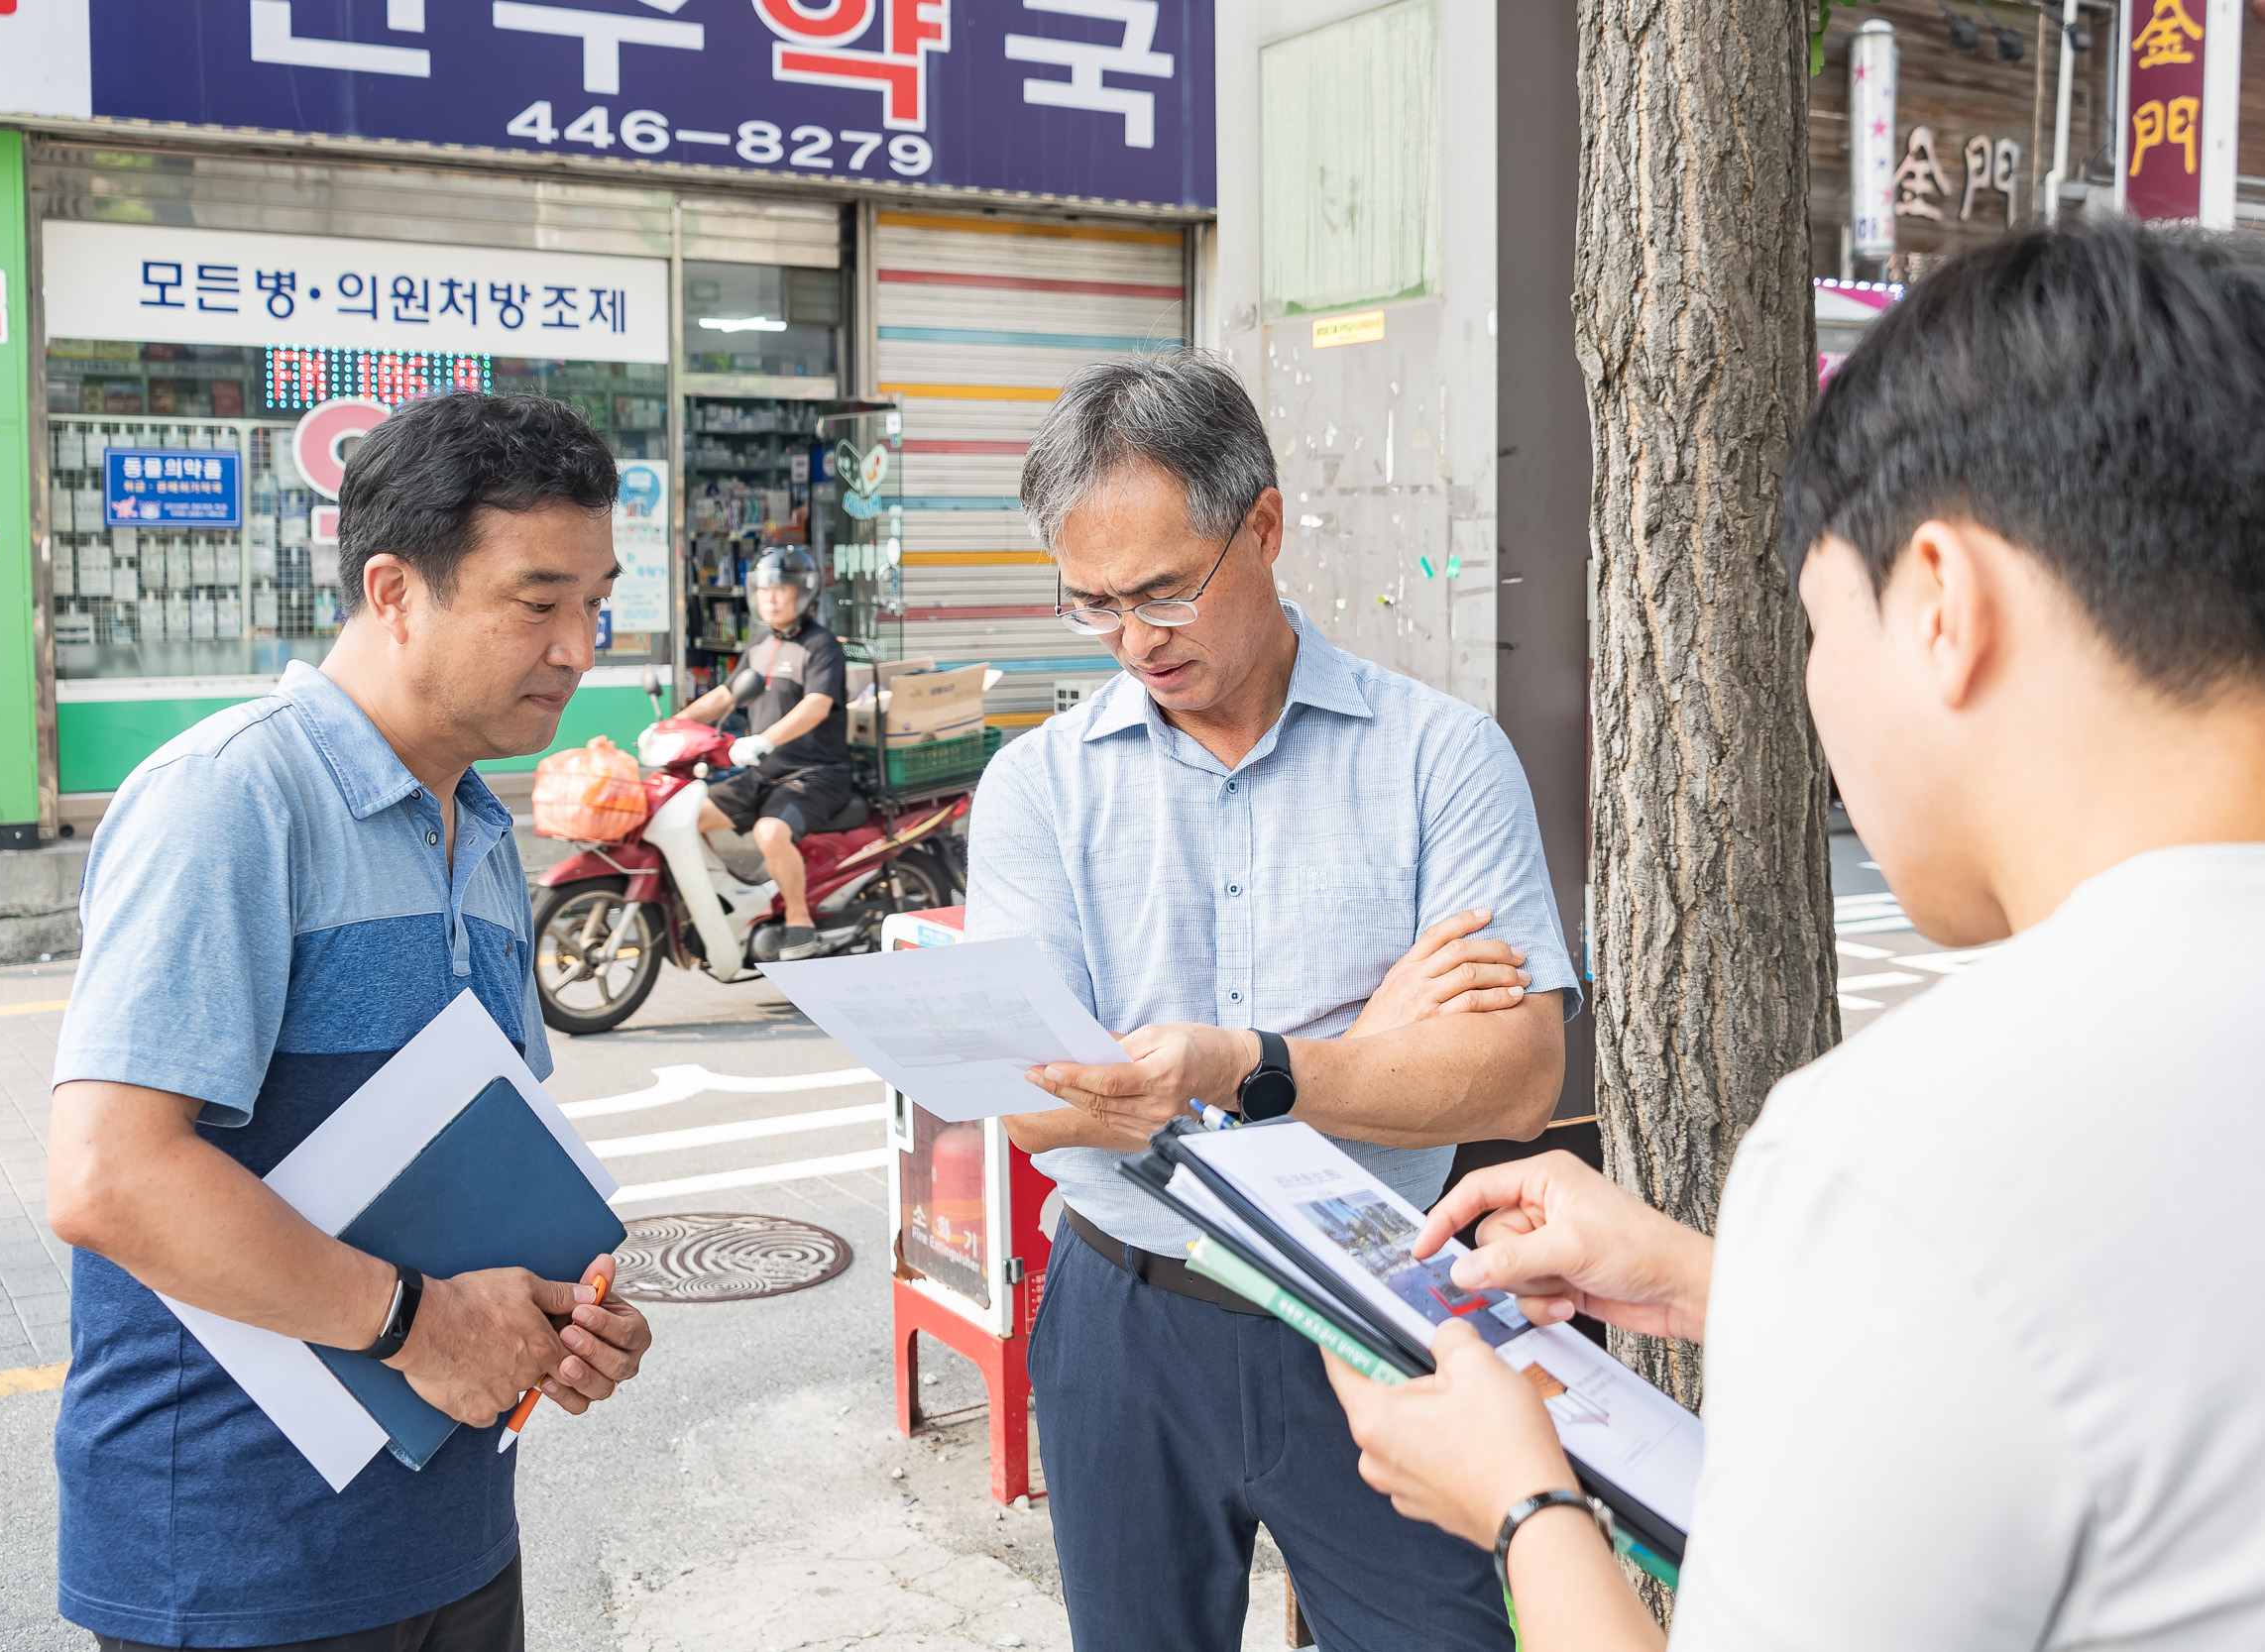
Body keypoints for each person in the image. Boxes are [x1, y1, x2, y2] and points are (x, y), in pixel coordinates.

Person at [1320, 222, 2265, 1650]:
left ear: (1944, 602)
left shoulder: (1908, 1144)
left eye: (1821, 626)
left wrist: (1523, 1502)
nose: (1819, 700)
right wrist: (1720, 1283)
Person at [965, 348, 1583, 1652]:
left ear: (1265, 526)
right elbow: (1040, 1108)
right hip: (1128, 1311)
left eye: (1165, 591)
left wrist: (1240, 1063)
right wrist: (1371, 1053)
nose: (1136, 640)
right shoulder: (1039, 789)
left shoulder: (1438, 757)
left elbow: (1519, 1073)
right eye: (1093, 604)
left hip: (1382, 1300)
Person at [46, 391, 654, 1652]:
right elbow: (109, 1176)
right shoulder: (230, 798)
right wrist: (422, 1322)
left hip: (449, 1528)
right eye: (537, 602)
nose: (579, 646)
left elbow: (474, 1182)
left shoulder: (483, 835)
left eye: (597, 599)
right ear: (393, 590)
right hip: (233, 1563)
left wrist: (558, 1321)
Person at [675, 542, 852, 960]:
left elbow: (817, 705)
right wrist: (676, 724)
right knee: (687, 816)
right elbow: (726, 695)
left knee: (769, 832)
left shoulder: (821, 645)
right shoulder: (761, 642)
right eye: (763, 588)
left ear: (803, 592)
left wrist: (765, 738)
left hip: (815, 774)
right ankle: (725, 904)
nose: (769, 597)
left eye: (780, 588)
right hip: (762, 772)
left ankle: (798, 922)